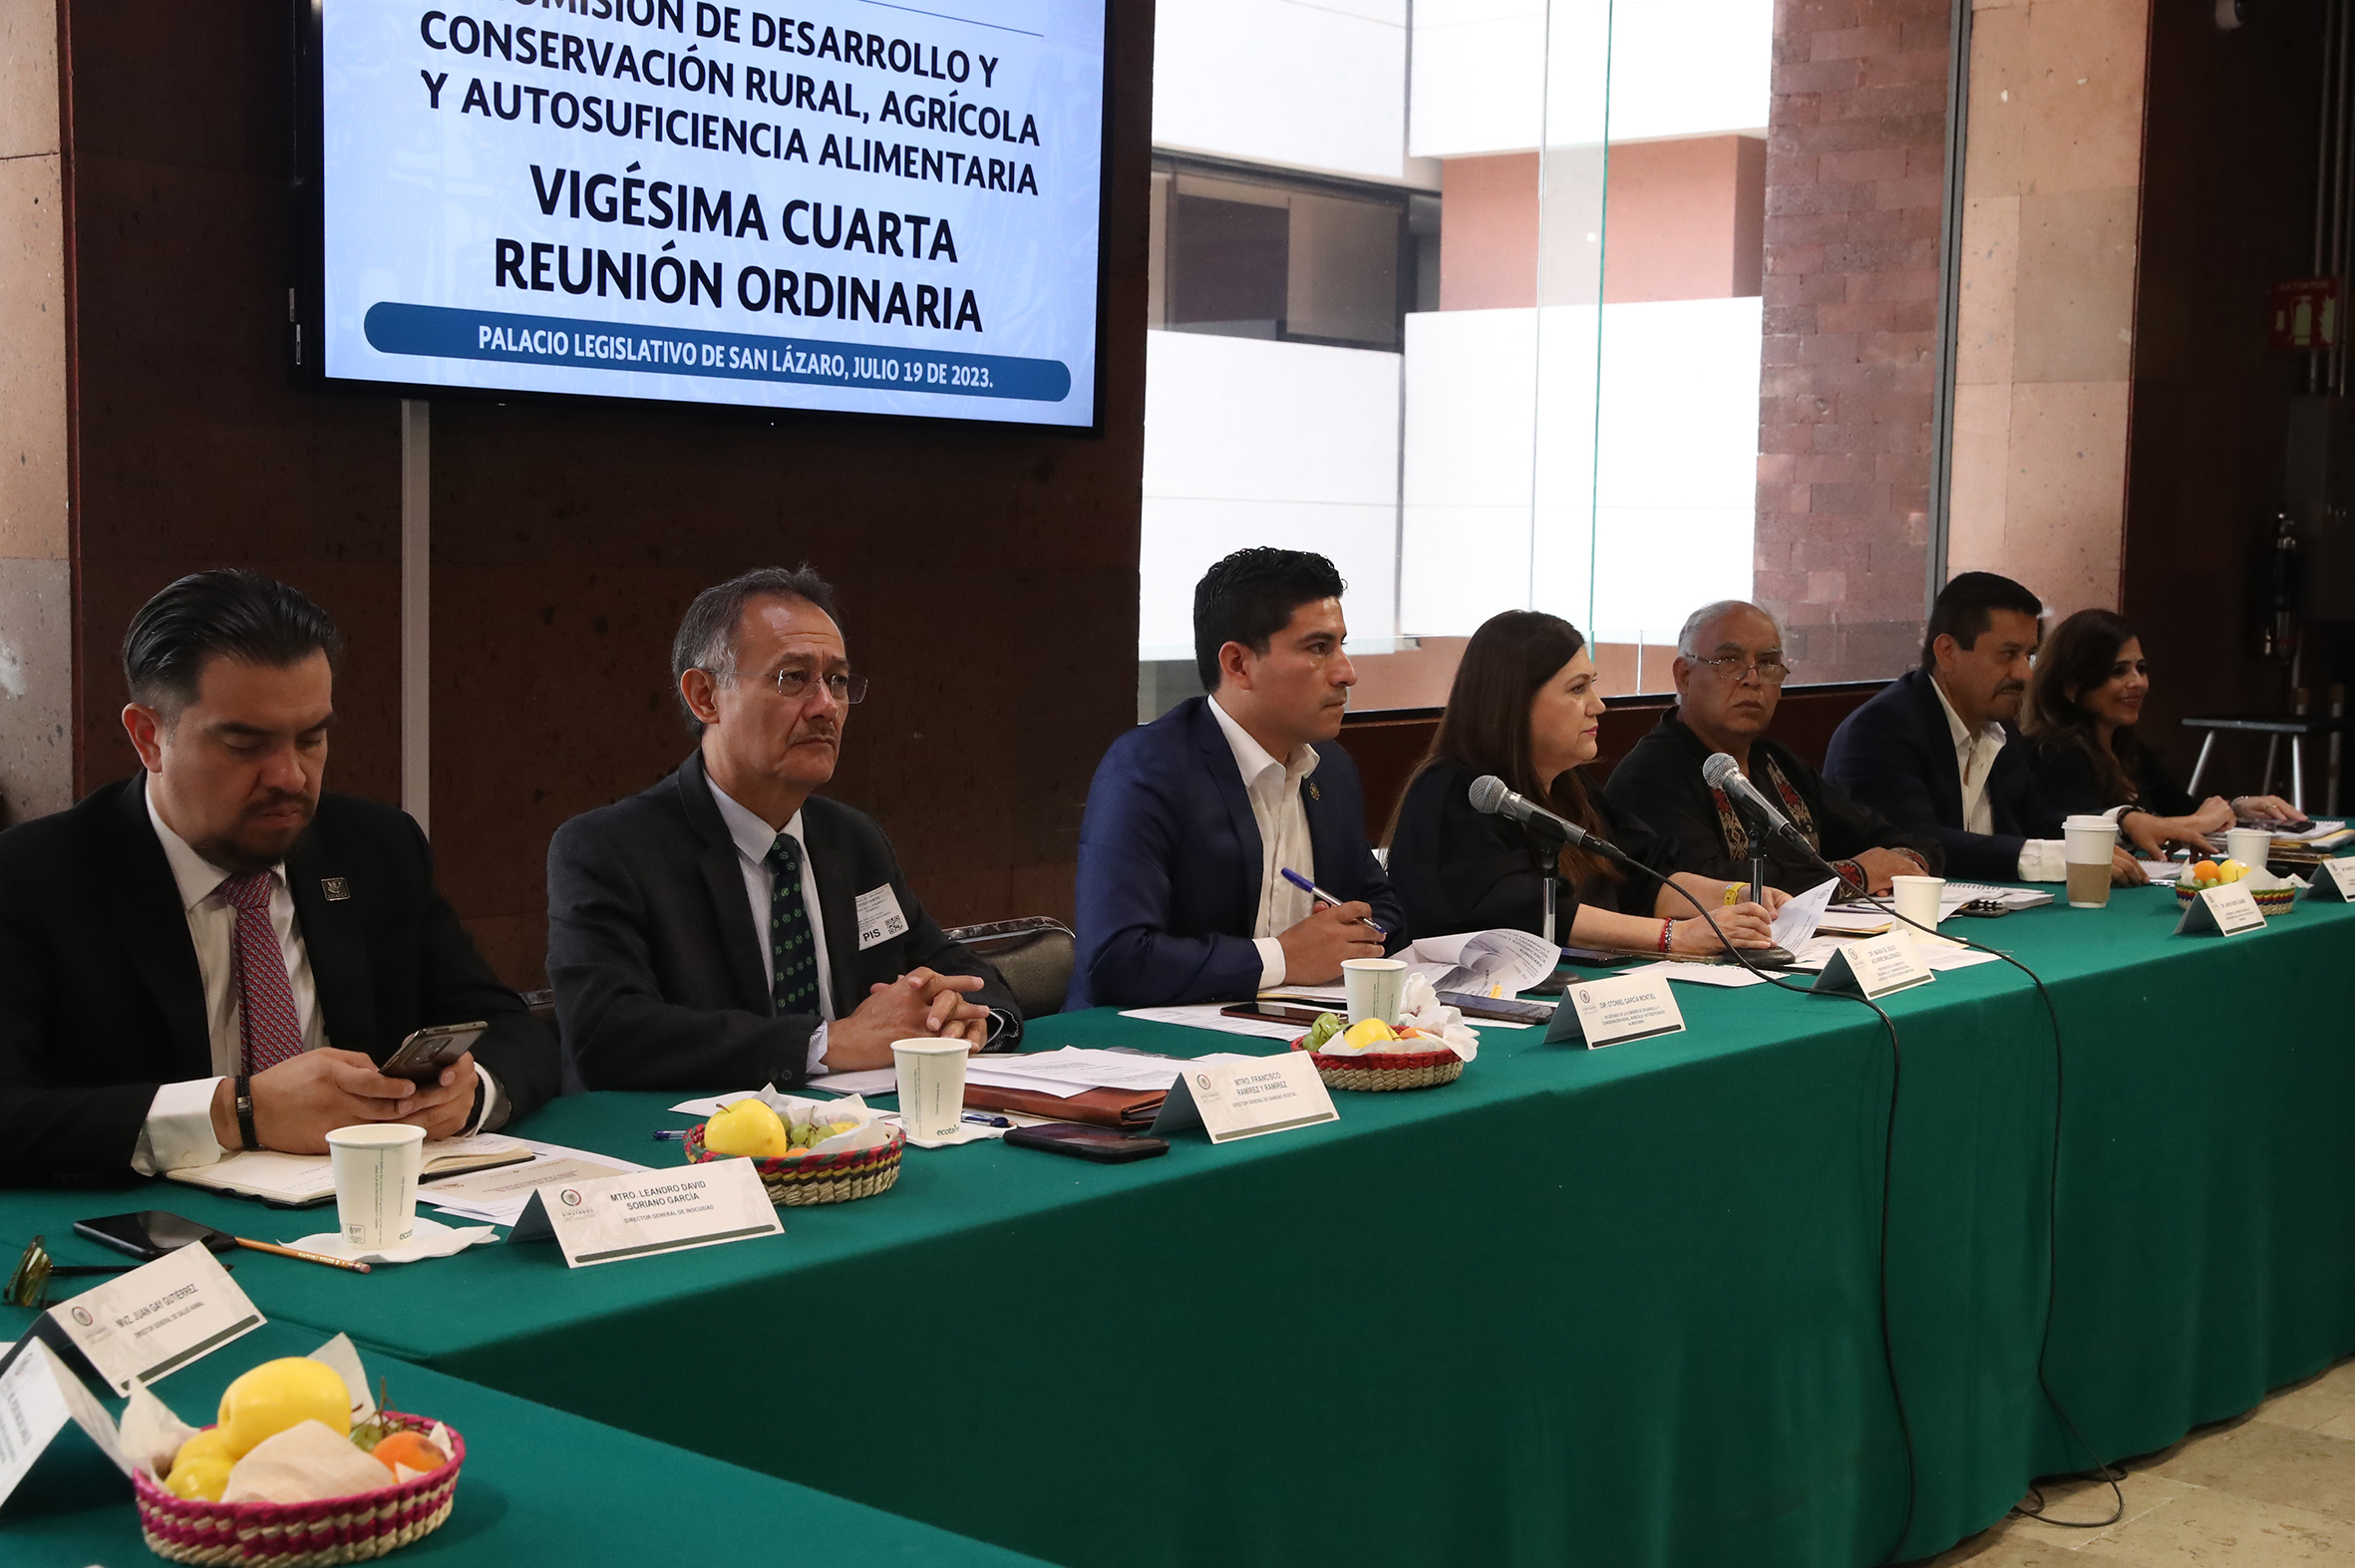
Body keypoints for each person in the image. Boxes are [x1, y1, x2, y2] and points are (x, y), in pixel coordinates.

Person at [0, 570, 559, 1186]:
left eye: (312, 738)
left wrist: (469, 1093)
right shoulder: (33, 876)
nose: (290, 776)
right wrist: (237, 1112)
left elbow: (513, 1031)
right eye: (246, 744)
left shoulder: (376, 849)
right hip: (152, 1231)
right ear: (149, 737)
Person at [547, 567, 1020, 1092]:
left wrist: (964, 1016)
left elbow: (953, 967)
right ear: (705, 696)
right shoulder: (610, 849)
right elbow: (605, 1033)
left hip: (859, 1128)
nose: (826, 707)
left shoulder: (852, 840)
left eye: (837, 681)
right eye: (793, 678)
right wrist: (826, 1043)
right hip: (690, 1136)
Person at [1068, 548, 1404, 1010]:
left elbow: (1384, 909)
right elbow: (1116, 959)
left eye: (1342, 645)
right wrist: (1283, 958)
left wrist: (1350, 936)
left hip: (1293, 1030)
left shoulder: (1330, 768)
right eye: (1318, 648)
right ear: (1238, 664)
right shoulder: (1148, 768)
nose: (1347, 672)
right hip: (1144, 1041)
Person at [1387, 610, 1782, 954]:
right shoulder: (1453, 795)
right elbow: (1529, 915)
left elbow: (1640, 877)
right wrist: (1676, 937)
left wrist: (1735, 894)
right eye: (1578, 689)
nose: (1598, 705)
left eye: (1592, 685)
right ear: (1516, 701)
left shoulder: (1567, 785)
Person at [1825, 572, 2144, 886]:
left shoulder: (1999, 728)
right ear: (1947, 653)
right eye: (2008, 654)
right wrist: (2052, 858)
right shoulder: (1879, 730)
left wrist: (2119, 823)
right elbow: (1915, 842)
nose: (2024, 673)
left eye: (2029, 655)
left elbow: (2035, 821)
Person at [1605, 601, 1943, 897]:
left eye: (1768, 663)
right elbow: (1702, 882)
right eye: (1729, 660)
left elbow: (1900, 839)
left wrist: (1902, 867)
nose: (1752, 679)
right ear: (1683, 676)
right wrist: (1855, 875)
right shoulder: (1649, 775)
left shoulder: (1777, 763)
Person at [2022, 608, 2299, 856]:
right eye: (2118, 671)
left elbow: (2185, 810)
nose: (2138, 682)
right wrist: (2198, 822)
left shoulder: (2127, 747)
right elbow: (2084, 834)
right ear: (2072, 685)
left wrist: (2238, 807)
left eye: (2141, 669)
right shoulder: (2055, 752)